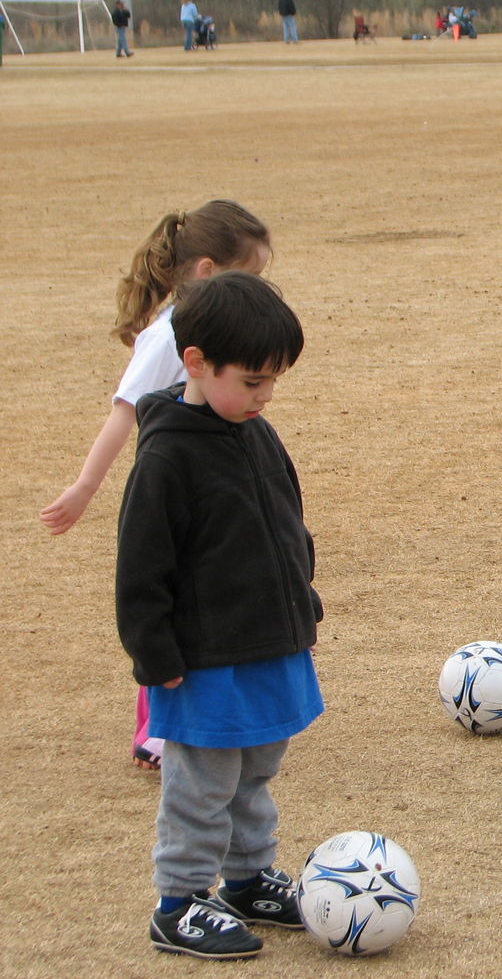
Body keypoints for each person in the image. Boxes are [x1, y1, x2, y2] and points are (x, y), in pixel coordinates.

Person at [117, 271, 322, 959]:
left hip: (270, 640)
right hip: (203, 658)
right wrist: (155, 655)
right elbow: (142, 566)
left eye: (273, 383)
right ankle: (178, 901)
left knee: (255, 769)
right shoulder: (167, 452)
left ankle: (246, 877)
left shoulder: (256, 432)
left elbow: (287, 522)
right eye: (253, 381)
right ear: (197, 363)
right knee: (202, 783)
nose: (265, 397)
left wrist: (303, 601)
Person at [42, 200, 272, 771]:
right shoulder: (169, 335)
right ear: (206, 272)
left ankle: (204, 719)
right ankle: (157, 733)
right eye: (250, 276)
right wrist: (84, 487)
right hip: (176, 492)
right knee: (172, 604)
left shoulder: (214, 333)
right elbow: (124, 414)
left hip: (214, 488)